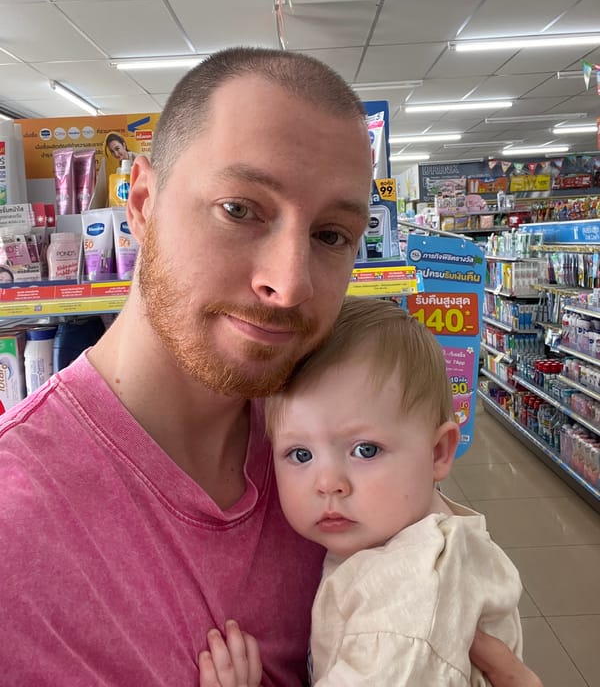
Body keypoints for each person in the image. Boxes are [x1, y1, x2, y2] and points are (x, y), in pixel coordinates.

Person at [0, 47, 542, 687]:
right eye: (239, 208)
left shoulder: (336, 429)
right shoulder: (19, 538)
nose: (288, 284)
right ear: (142, 203)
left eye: (331, 235)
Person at [198, 296, 523, 686]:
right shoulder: (404, 537)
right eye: (299, 454)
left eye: (365, 450)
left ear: (437, 452)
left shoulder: (404, 609)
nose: (328, 483)